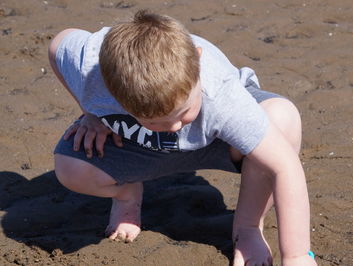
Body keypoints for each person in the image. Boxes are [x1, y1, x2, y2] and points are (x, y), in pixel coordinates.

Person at [48, 10, 316, 266]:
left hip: (220, 139)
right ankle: (127, 195)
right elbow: (58, 44)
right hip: (142, 144)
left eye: (183, 112)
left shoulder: (221, 97)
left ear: (198, 63)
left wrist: (296, 256)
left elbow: (286, 167)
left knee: (283, 118)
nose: (174, 126)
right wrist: (92, 115)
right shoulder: (89, 66)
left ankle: (247, 227)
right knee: (71, 167)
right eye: (155, 120)